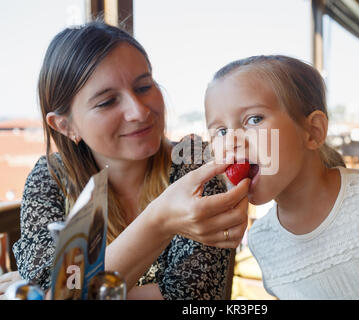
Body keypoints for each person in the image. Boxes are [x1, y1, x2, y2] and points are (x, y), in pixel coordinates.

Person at [0, 22, 251, 300]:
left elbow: (194, 297)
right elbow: (55, 292)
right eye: (107, 102)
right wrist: (160, 221)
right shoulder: (51, 177)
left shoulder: (195, 163)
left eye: (144, 86)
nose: (139, 111)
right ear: (65, 126)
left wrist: (73, 287)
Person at [204, 55, 359, 299]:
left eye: (254, 119)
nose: (230, 142)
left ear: (313, 131)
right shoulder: (262, 241)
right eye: (221, 131)